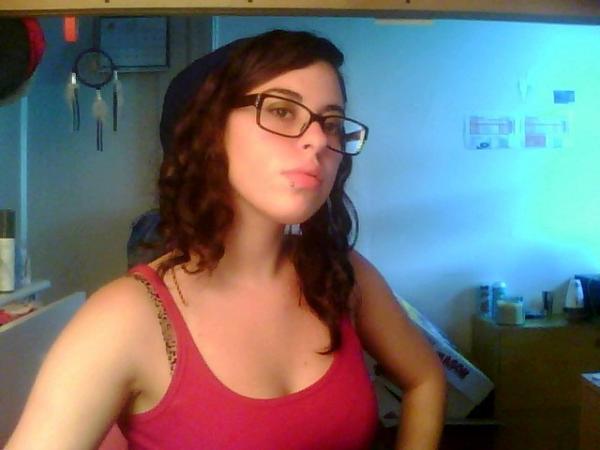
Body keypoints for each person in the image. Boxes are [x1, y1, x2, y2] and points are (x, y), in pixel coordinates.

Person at [6, 29, 446, 450]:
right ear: (209, 129)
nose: (317, 139)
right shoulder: (125, 319)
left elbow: (425, 379)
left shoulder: (342, 275)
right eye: (282, 111)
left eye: (331, 123)